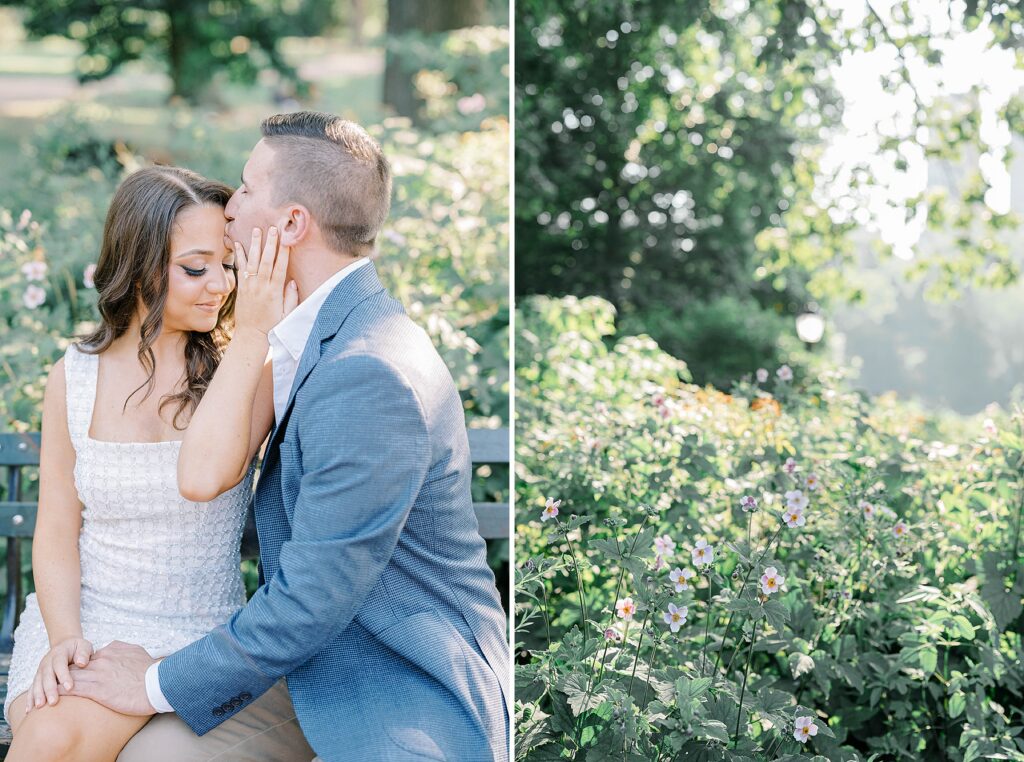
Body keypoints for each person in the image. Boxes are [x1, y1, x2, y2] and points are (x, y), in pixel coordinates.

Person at [63, 111, 511, 762]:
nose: (231, 207)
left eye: (247, 189)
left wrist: (154, 681)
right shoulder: (311, 331)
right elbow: (201, 476)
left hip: (393, 684)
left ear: (293, 223)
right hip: (308, 666)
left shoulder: (368, 371)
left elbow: (311, 600)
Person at [4, 165, 313, 761]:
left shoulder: (247, 372)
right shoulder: (73, 378)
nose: (220, 285)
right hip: (80, 619)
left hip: (191, 638)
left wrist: (258, 333)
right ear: (140, 265)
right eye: (195, 268)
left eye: (228, 265)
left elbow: (210, 475)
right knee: (52, 734)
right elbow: (58, 527)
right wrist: (65, 638)